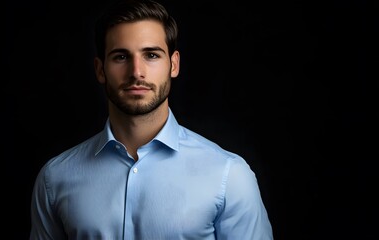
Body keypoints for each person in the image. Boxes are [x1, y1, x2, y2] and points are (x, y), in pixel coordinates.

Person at [29, 0, 273, 239]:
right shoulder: (55, 178)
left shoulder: (229, 176)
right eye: (121, 57)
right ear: (100, 70)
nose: (136, 72)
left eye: (152, 55)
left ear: (173, 64)